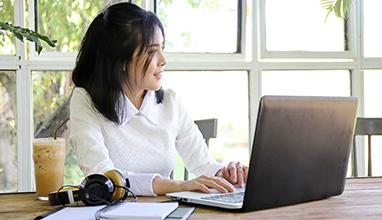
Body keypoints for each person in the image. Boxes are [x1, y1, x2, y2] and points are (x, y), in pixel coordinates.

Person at [69, 2, 248, 196]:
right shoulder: (85, 101)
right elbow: (104, 177)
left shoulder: (171, 102)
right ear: (120, 60)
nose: (163, 60)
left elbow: (203, 163)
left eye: (162, 48)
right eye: (152, 51)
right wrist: (178, 186)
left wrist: (224, 174)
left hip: (165, 211)